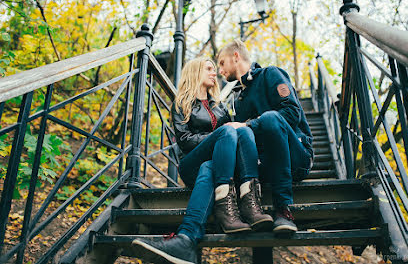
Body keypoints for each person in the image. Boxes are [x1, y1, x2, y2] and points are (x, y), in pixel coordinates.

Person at [131, 57, 272, 264]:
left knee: (227, 146)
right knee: (226, 133)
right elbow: (185, 141)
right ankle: (225, 203)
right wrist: (218, 138)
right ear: (196, 72)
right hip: (191, 165)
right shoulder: (181, 104)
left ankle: (186, 240)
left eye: (215, 69)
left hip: (213, 168)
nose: (214, 72)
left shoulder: (220, 107)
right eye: (209, 69)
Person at [216, 39, 314, 233]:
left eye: (221, 63)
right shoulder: (239, 98)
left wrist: (247, 124)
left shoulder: (271, 74)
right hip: (266, 164)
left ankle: (283, 210)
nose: (220, 70)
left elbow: (292, 113)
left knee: (270, 119)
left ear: (236, 57)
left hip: (297, 157)